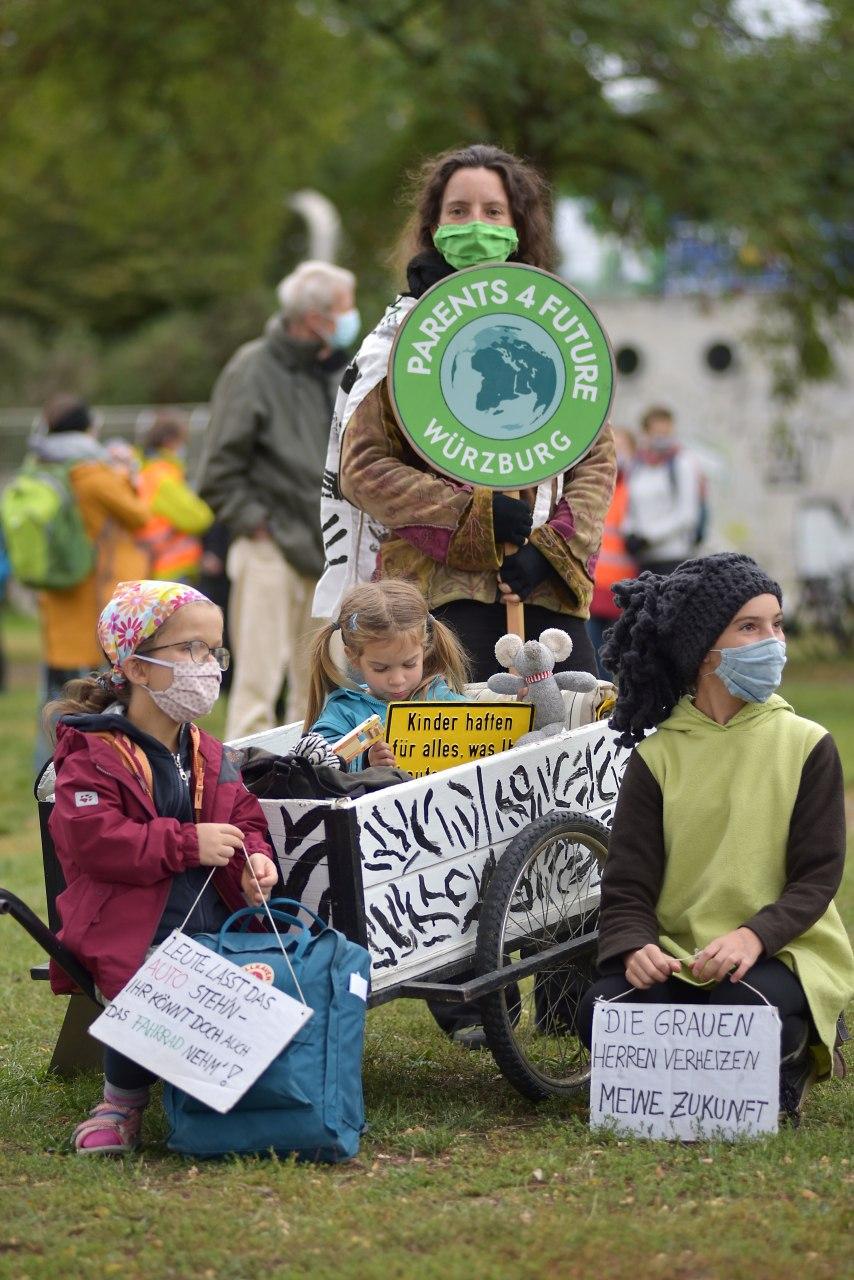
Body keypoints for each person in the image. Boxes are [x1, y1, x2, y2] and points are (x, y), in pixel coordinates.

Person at [314, 143, 615, 682]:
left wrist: (550, 551)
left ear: (518, 225)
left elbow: (593, 458)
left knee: (572, 742)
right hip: (437, 603)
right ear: (434, 225)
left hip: (547, 602)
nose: (476, 224)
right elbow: (363, 469)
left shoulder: (555, 330)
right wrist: (473, 517)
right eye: (459, 210)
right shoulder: (397, 340)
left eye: (493, 211)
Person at [579, 553, 854, 1123]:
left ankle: (791, 1058)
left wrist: (753, 938)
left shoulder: (808, 744)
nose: (773, 641)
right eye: (750, 627)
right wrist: (635, 947)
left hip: (780, 949)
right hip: (682, 957)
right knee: (601, 1011)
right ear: (705, 649)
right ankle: (720, 1068)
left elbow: (817, 878)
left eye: (776, 624)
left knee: (742, 1011)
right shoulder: (656, 758)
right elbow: (627, 884)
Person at [47, 579, 279, 1154]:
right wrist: (185, 844)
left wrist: (256, 860)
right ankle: (121, 1103)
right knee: (156, 976)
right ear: (136, 667)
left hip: (209, 919)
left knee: (272, 974)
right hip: (129, 921)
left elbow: (244, 816)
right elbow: (93, 841)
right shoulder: (92, 752)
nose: (209, 665)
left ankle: (226, 1092)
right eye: (190, 649)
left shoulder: (206, 750)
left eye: (215, 651)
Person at [197, 261, 358, 740]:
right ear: (316, 318)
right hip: (269, 549)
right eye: (347, 308)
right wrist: (258, 523)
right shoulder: (252, 368)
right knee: (256, 687)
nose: (354, 318)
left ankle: (308, 783)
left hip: (328, 552)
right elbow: (217, 472)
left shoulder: (334, 370)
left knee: (318, 687)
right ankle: (244, 793)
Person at [32, 396, 150, 767]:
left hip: (56, 597)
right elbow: (138, 515)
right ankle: (87, 767)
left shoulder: (40, 469)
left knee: (52, 690)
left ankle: (46, 768)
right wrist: (126, 475)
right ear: (88, 428)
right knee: (88, 695)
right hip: (91, 599)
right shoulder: (92, 473)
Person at [306, 579, 469, 769]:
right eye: (381, 668)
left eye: (409, 664)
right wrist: (367, 762)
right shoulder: (344, 711)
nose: (397, 681)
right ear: (353, 657)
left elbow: (481, 732)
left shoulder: (439, 697)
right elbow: (320, 764)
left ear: (424, 647)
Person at [622, 405, 706, 577]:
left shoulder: (682, 463)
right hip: (644, 559)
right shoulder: (637, 465)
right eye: (656, 432)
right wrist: (630, 533)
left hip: (674, 557)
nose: (661, 437)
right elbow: (629, 507)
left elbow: (687, 514)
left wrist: (649, 536)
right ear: (646, 432)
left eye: (666, 431)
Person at [136, 411, 214, 581]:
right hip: (171, 567)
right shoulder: (162, 474)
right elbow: (199, 518)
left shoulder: (146, 470)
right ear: (169, 441)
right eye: (181, 441)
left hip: (156, 563)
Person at [587, 427, 637, 680]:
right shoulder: (591, 487)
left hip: (625, 590)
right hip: (593, 588)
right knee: (594, 663)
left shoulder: (637, 490)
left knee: (623, 661)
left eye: (622, 448)